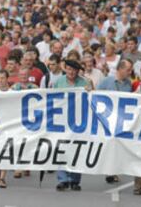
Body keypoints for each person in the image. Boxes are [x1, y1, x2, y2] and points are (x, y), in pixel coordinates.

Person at [54, 60, 90, 191]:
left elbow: (93, 97)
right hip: (62, 121)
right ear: (65, 69)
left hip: (78, 121)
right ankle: (63, 179)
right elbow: (51, 98)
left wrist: (89, 90)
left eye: (74, 69)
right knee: (62, 149)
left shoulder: (84, 82)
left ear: (77, 71)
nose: (71, 72)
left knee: (76, 149)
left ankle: (74, 179)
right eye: (69, 69)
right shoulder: (59, 82)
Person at [97, 59, 133, 184]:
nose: (130, 72)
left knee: (118, 147)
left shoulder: (129, 84)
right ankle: (110, 171)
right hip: (107, 119)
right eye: (128, 70)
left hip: (122, 121)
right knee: (108, 145)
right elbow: (96, 97)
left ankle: (114, 171)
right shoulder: (106, 81)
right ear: (120, 69)